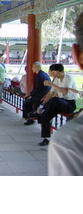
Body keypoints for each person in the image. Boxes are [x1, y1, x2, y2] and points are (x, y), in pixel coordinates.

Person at [48, 11, 83, 175]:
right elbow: (53, 92)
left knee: (52, 104)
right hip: (62, 102)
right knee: (47, 104)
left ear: (77, 56)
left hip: (69, 103)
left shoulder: (72, 140)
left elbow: (62, 91)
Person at [27, 63, 77, 146]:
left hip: (69, 104)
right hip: (58, 103)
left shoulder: (68, 78)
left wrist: (52, 84)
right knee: (45, 115)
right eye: (54, 73)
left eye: (57, 73)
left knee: (55, 99)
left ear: (62, 71)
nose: (55, 75)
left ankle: (39, 111)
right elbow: (50, 94)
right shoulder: (56, 79)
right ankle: (46, 138)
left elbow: (65, 92)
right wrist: (41, 105)